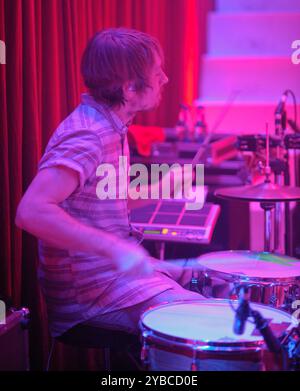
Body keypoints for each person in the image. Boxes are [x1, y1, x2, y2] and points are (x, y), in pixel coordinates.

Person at [15, 28, 202, 340]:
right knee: (202, 323)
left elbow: (103, 199)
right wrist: (113, 247)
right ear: (129, 88)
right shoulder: (88, 134)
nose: (165, 79)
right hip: (90, 293)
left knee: (211, 280)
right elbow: (32, 211)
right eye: (157, 73)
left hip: (114, 277)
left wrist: (161, 189)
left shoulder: (112, 123)